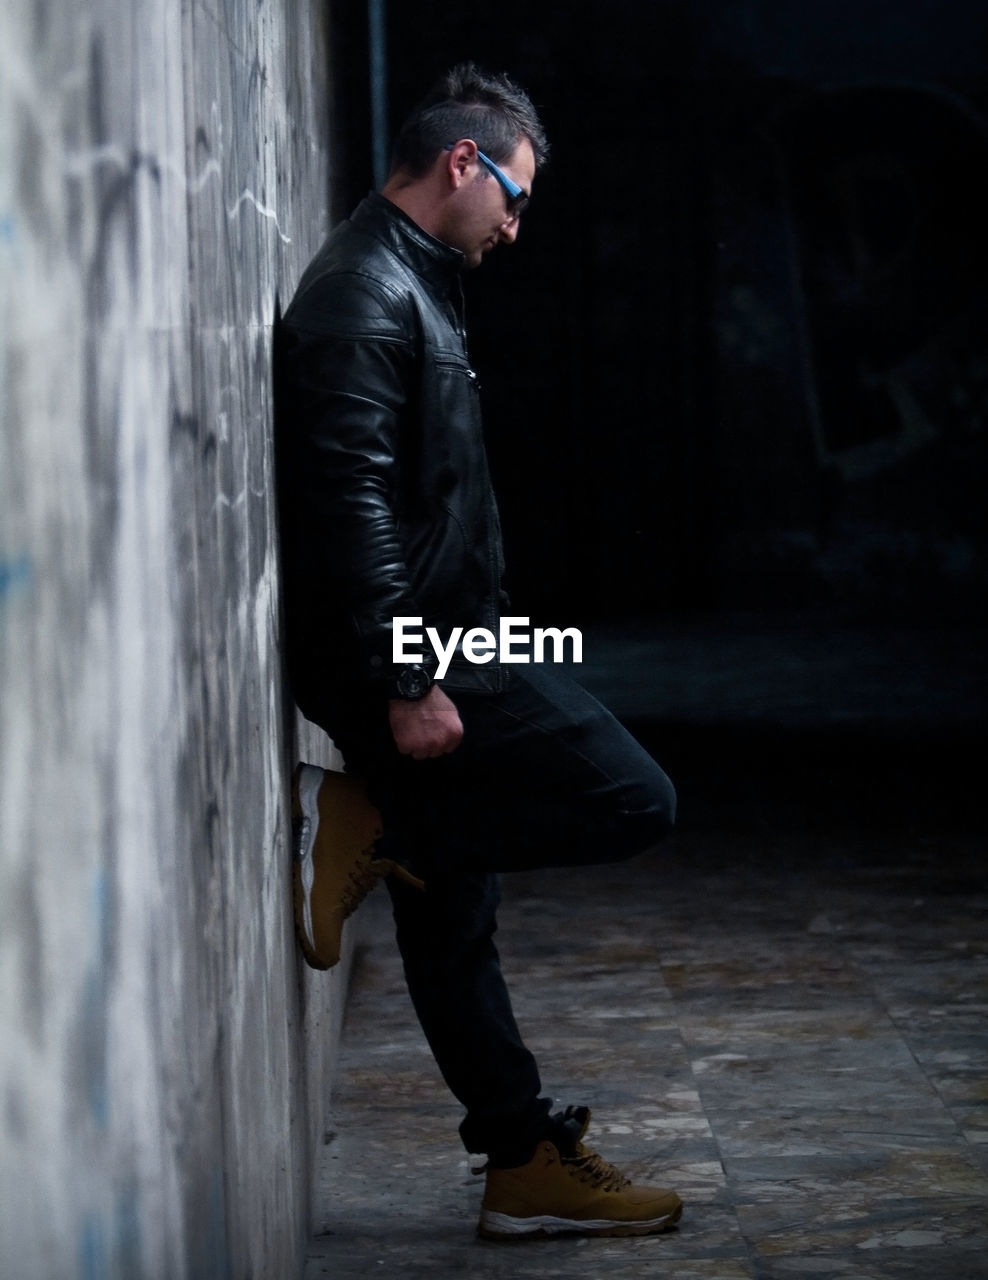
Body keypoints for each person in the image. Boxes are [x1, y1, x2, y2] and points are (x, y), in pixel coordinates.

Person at [275, 63, 683, 1240]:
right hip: (419, 651)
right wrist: (408, 677)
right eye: (512, 192)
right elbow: (348, 500)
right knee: (632, 796)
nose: (515, 220)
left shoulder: (413, 280)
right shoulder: (364, 293)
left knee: (453, 919)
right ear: (462, 161)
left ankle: (518, 1158)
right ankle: (377, 826)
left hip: (449, 635)